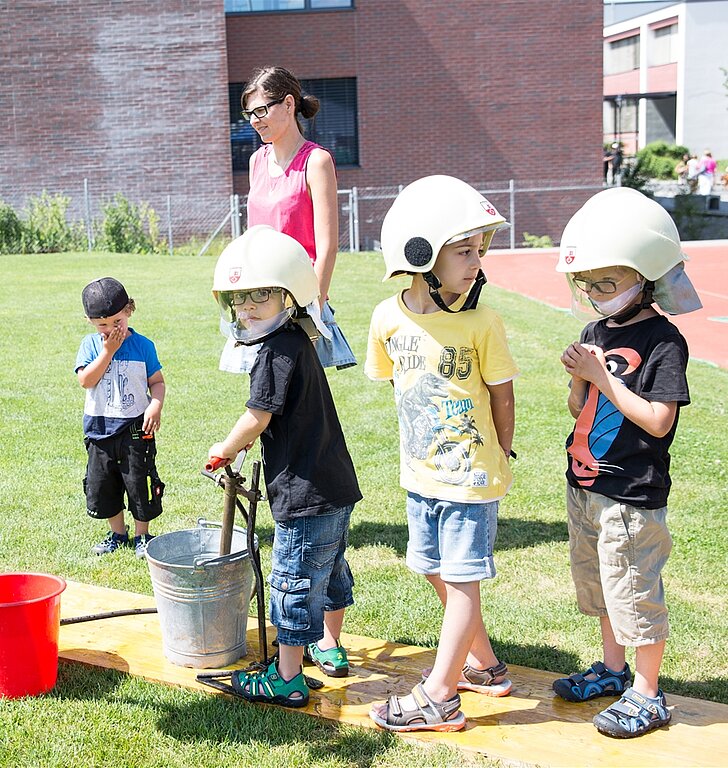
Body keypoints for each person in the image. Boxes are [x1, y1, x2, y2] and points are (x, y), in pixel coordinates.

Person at [365, 176, 518, 733]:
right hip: (421, 474)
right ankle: (485, 665)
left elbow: (502, 394)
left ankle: (439, 695)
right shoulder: (387, 318)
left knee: (460, 582)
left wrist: (502, 450)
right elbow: (397, 386)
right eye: (464, 251)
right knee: (430, 569)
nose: (477, 262)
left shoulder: (483, 322)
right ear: (421, 254)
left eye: (479, 250)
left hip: (470, 477)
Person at [553, 187, 702, 738]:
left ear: (646, 278)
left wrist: (602, 377)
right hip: (587, 486)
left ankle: (648, 692)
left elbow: (658, 420)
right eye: (587, 284)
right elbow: (578, 407)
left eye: (607, 284)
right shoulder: (595, 331)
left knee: (634, 592)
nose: (595, 295)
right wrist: (579, 377)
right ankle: (613, 671)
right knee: (601, 587)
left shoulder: (665, 340)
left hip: (631, 494)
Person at [208, 225, 362, 708]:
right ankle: (328, 646)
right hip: (334, 485)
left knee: (294, 578)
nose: (247, 308)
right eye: (239, 299)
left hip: (304, 491)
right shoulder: (298, 339)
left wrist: (225, 448)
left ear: (291, 297)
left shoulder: (274, 352)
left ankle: (288, 675)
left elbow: (258, 415)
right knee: (329, 569)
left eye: (260, 296)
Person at [219, 65, 356, 374]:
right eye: (249, 114)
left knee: (295, 403)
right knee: (264, 397)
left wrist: (312, 311)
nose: (254, 121)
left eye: (261, 110)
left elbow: (327, 248)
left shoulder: (316, 161)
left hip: (298, 301)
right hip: (256, 301)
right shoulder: (257, 161)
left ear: (289, 104)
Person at [75, 277, 166, 558]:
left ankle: (142, 535)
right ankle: (117, 532)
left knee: (139, 481)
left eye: (116, 321)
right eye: (102, 324)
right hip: (100, 429)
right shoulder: (90, 346)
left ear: (129, 310)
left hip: (135, 428)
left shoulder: (143, 346)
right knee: (104, 484)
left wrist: (156, 405)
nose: (111, 328)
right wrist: (107, 351)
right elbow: (86, 381)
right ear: (89, 321)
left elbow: (157, 382)